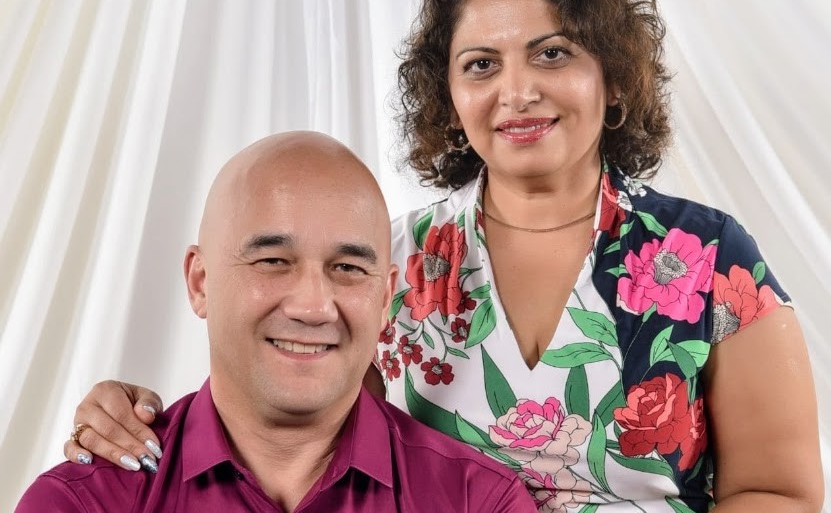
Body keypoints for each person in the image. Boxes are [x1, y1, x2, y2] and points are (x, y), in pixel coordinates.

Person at [60, 0, 824, 512]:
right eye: (481, 64)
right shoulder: (389, 262)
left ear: (614, 77)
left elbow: (781, 491)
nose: (516, 91)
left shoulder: (708, 257)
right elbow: (294, 437)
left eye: (552, 53)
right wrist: (133, 414)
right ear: (450, 99)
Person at [16, 132, 535, 512]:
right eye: (272, 261)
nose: (313, 306)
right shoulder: (82, 504)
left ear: (384, 300)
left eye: (348, 268)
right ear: (200, 282)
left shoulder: (479, 503)